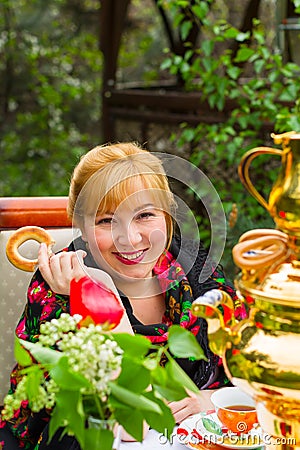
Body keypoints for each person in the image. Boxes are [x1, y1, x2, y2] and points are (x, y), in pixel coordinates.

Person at [0, 142, 239, 449]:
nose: (130, 238)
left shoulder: (199, 273)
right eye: (106, 220)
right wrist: (99, 294)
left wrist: (208, 399)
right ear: (82, 228)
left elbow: (254, 375)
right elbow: (130, 420)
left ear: (167, 217)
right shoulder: (58, 288)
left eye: (145, 215)